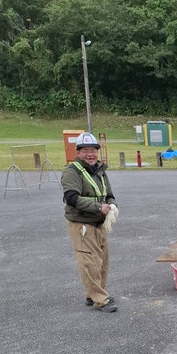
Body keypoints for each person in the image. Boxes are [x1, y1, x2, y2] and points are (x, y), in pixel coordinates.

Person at [61, 131, 118, 313]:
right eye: (85, 150)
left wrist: (112, 205)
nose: (90, 154)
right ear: (78, 152)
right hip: (82, 225)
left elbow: (109, 194)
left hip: (99, 224)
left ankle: (93, 294)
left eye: (93, 150)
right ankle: (100, 299)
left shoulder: (99, 171)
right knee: (89, 263)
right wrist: (98, 207)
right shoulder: (72, 172)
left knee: (101, 263)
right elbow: (71, 198)